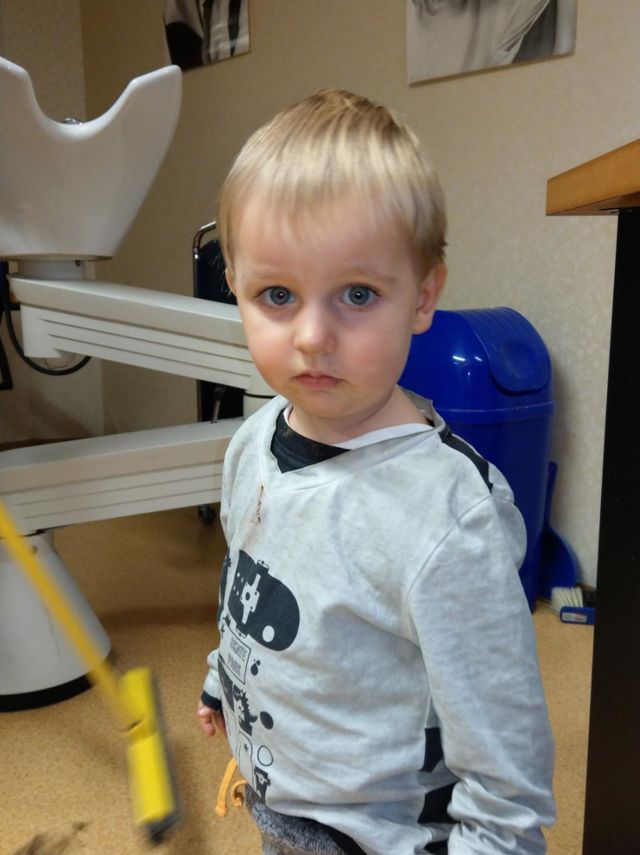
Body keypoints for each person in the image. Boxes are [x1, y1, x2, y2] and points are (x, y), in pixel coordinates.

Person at [198, 89, 555, 854]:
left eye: (357, 294)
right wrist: (221, 675)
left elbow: (507, 773)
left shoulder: (445, 518)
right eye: (277, 294)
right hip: (280, 803)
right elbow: (252, 577)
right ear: (236, 286)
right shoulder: (253, 442)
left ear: (423, 297)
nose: (313, 336)